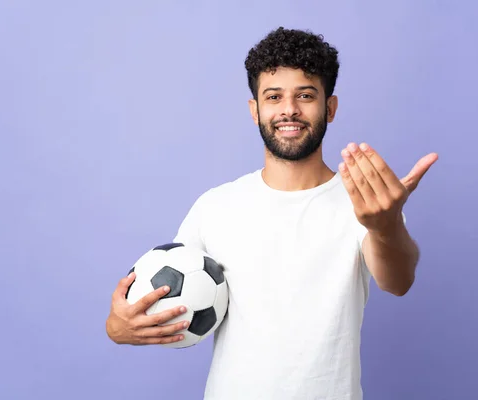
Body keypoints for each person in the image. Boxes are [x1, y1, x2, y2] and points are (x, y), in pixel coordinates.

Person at [106, 26, 438, 399]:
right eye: (274, 96)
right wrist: (119, 328)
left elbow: (398, 281)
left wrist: (386, 226)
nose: (289, 109)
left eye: (306, 95)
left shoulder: (365, 204)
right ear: (255, 110)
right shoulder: (216, 206)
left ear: (330, 108)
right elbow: (171, 305)